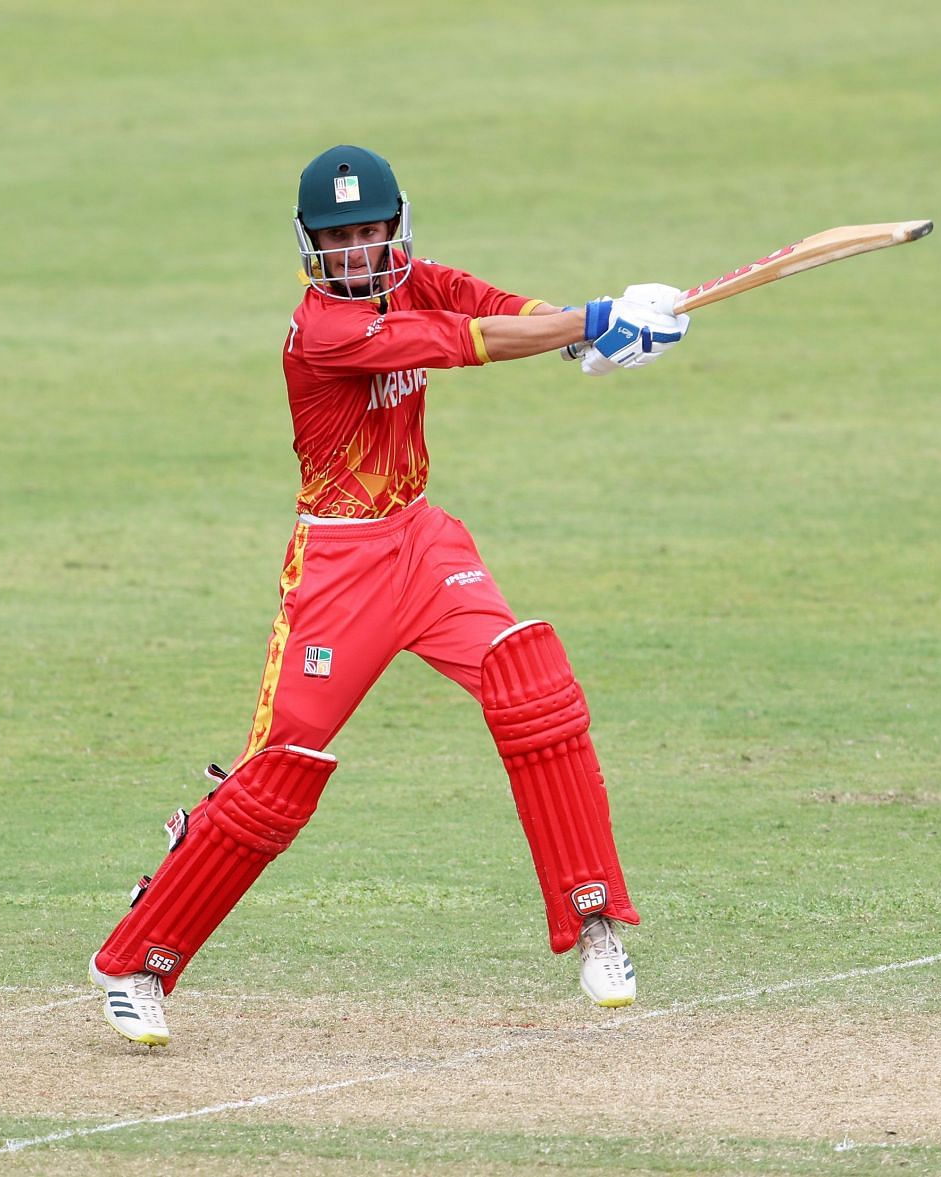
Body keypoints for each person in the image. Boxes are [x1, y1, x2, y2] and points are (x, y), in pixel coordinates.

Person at [89, 145, 690, 1047]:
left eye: (371, 232)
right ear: (311, 245)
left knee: (532, 683)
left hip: (420, 540)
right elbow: (462, 344)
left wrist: (581, 338)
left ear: (396, 226)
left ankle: (595, 922)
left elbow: (489, 306)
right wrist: (597, 318)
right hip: (337, 566)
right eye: (339, 238)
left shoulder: (417, 279)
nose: (358, 252)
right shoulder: (323, 330)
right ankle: (135, 960)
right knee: (276, 776)